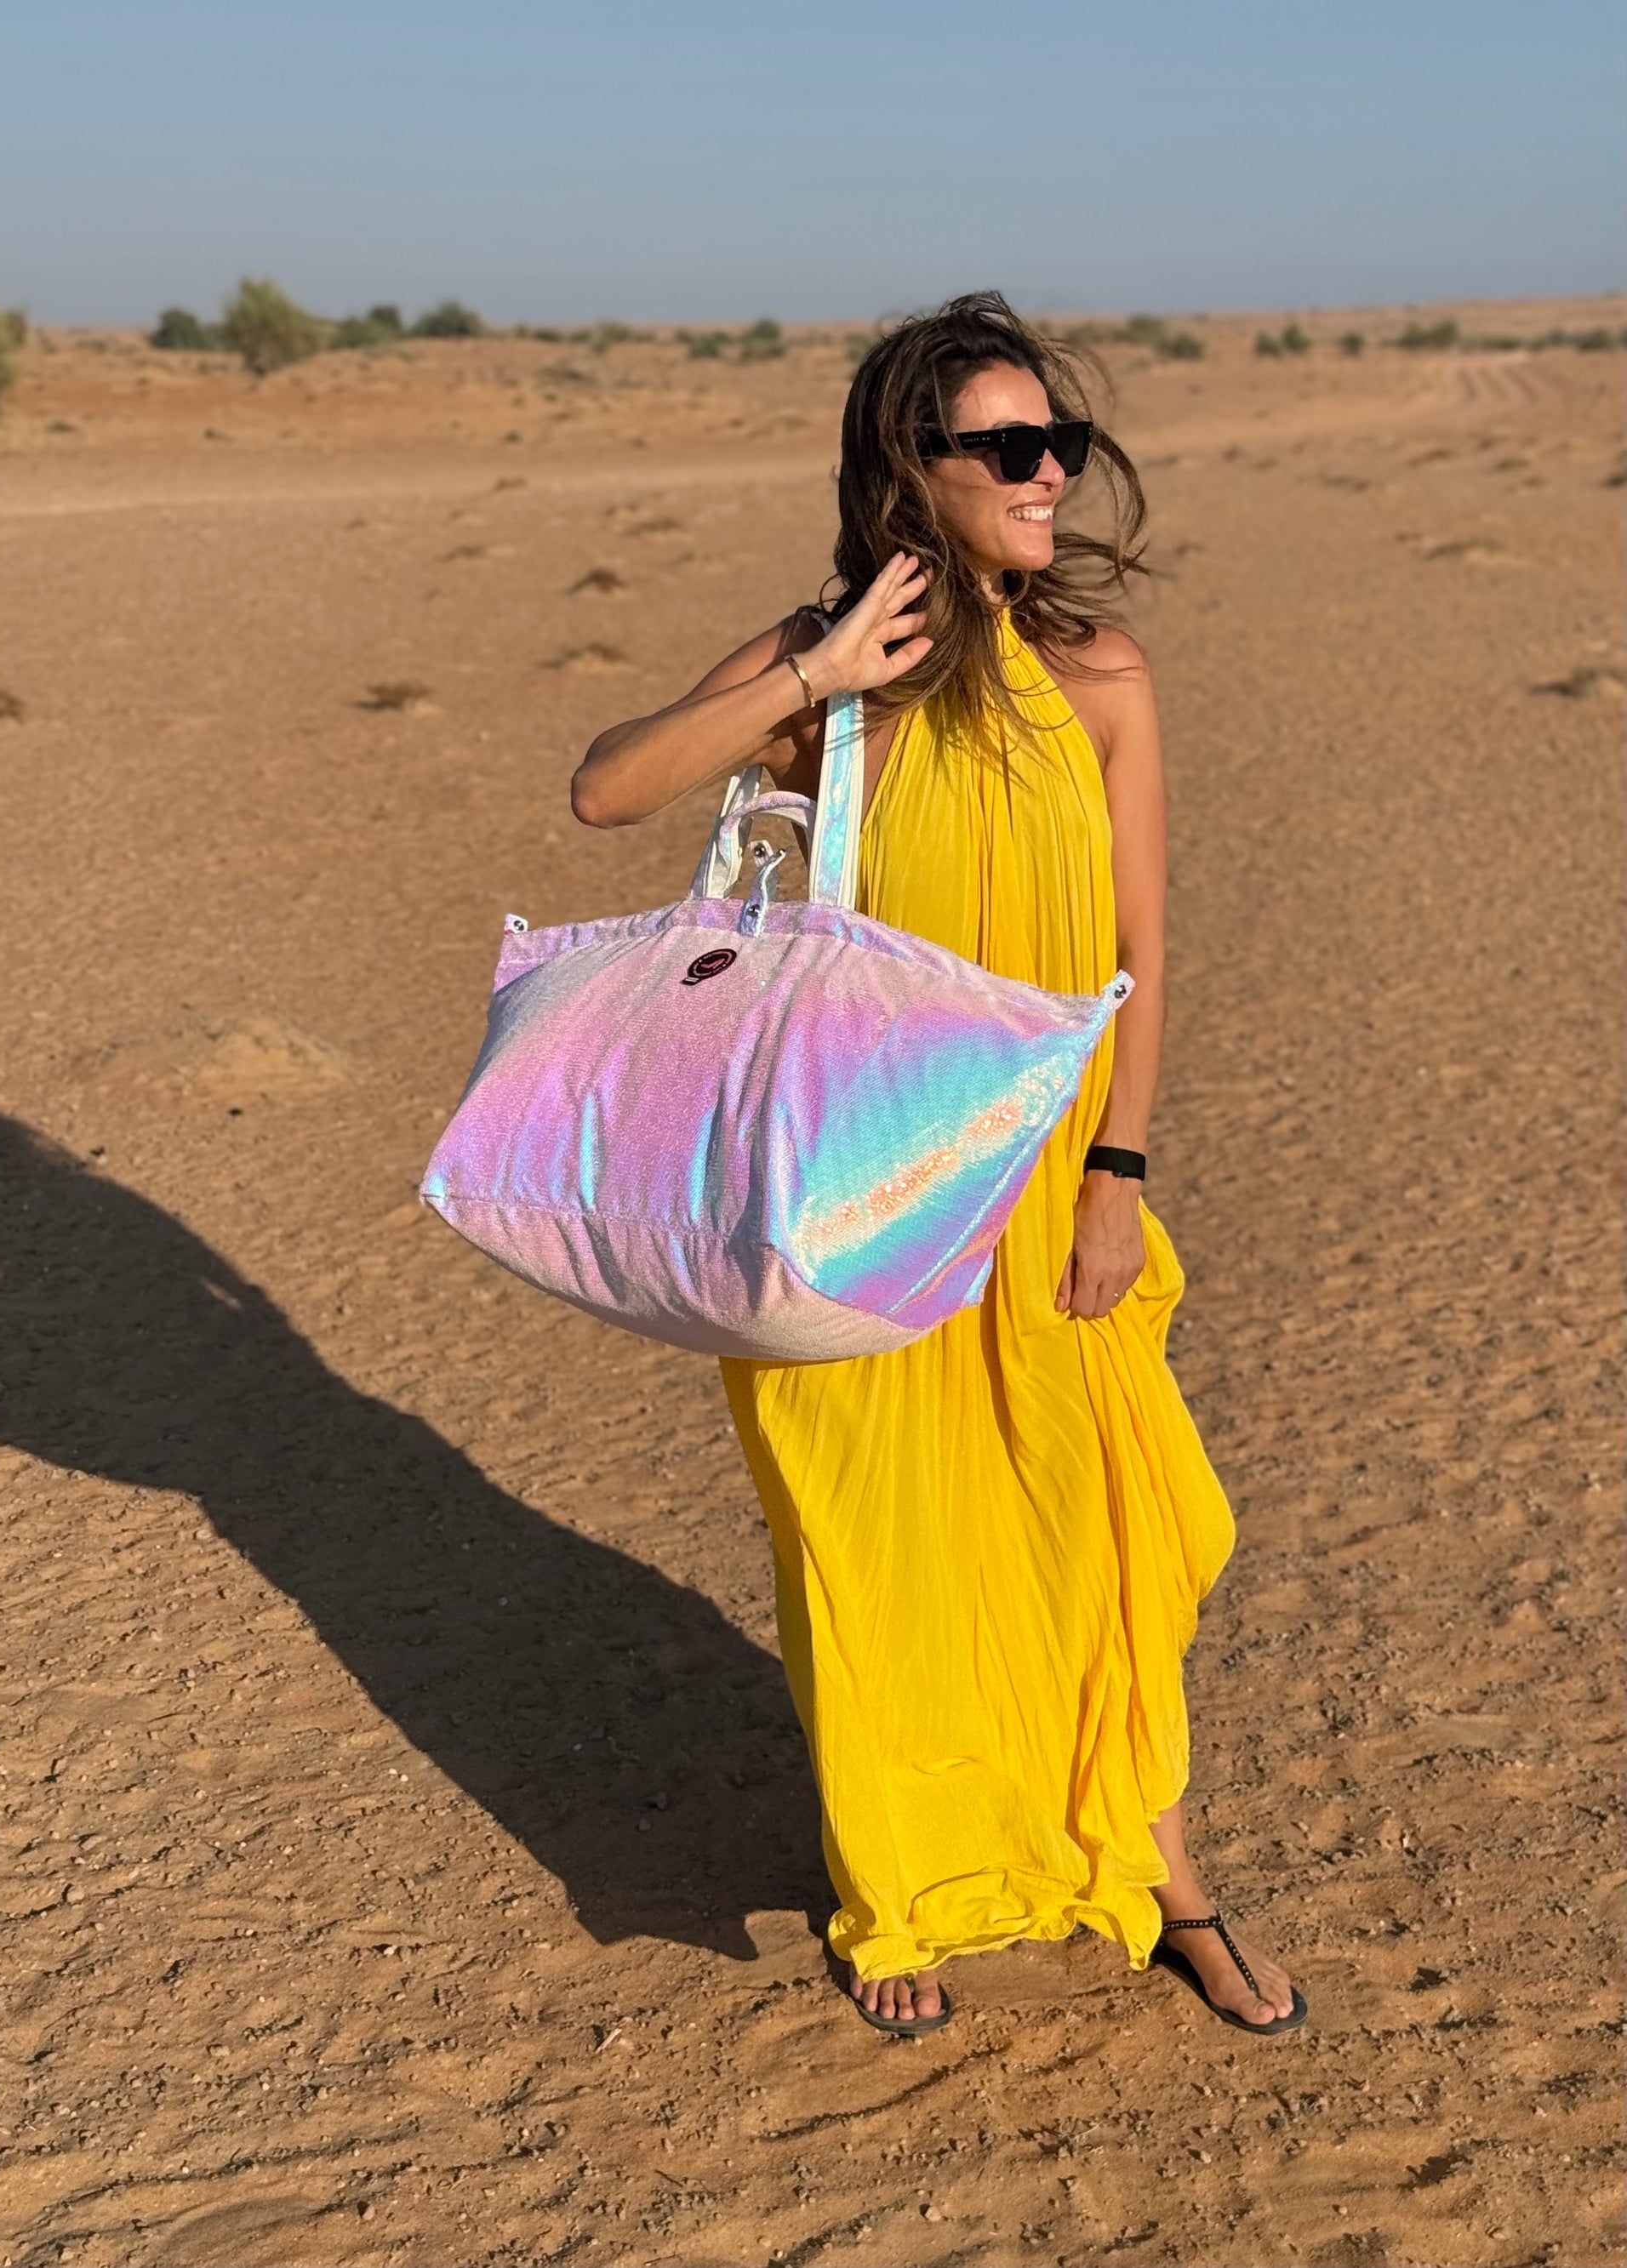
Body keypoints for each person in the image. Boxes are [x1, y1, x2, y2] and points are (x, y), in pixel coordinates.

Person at [570, 291, 1304, 2040]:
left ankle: (1165, 1877)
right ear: (915, 468)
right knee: (876, 1540)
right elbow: (604, 791)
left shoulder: (1103, 677)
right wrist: (813, 677)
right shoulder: (826, 672)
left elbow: (1141, 947)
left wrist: (1119, 1170)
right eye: (1006, 447)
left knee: (1115, 1528)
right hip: (854, 1200)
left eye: (1056, 440)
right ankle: (885, 1886)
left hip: (1053, 1187)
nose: (1047, 471)